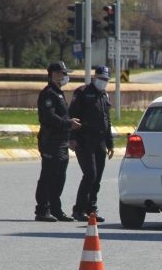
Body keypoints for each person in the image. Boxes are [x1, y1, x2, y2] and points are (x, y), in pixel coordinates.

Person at [34, 61, 81, 222]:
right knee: (48, 175)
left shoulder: (58, 93)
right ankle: (42, 210)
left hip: (61, 141)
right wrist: (68, 123)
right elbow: (48, 117)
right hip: (50, 140)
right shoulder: (48, 93)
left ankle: (55, 208)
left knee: (59, 176)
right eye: (61, 73)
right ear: (53, 74)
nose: (64, 76)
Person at [69, 66, 114, 222]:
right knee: (90, 175)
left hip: (100, 141)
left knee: (97, 178)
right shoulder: (82, 93)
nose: (103, 82)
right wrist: (72, 138)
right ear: (95, 78)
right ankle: (79, 209)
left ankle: (91, 209)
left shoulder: (104, 95)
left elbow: (107, 120)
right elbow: (73, 116)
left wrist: (110, 142)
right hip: (84, 139)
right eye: (101, 79)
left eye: (106, 80)